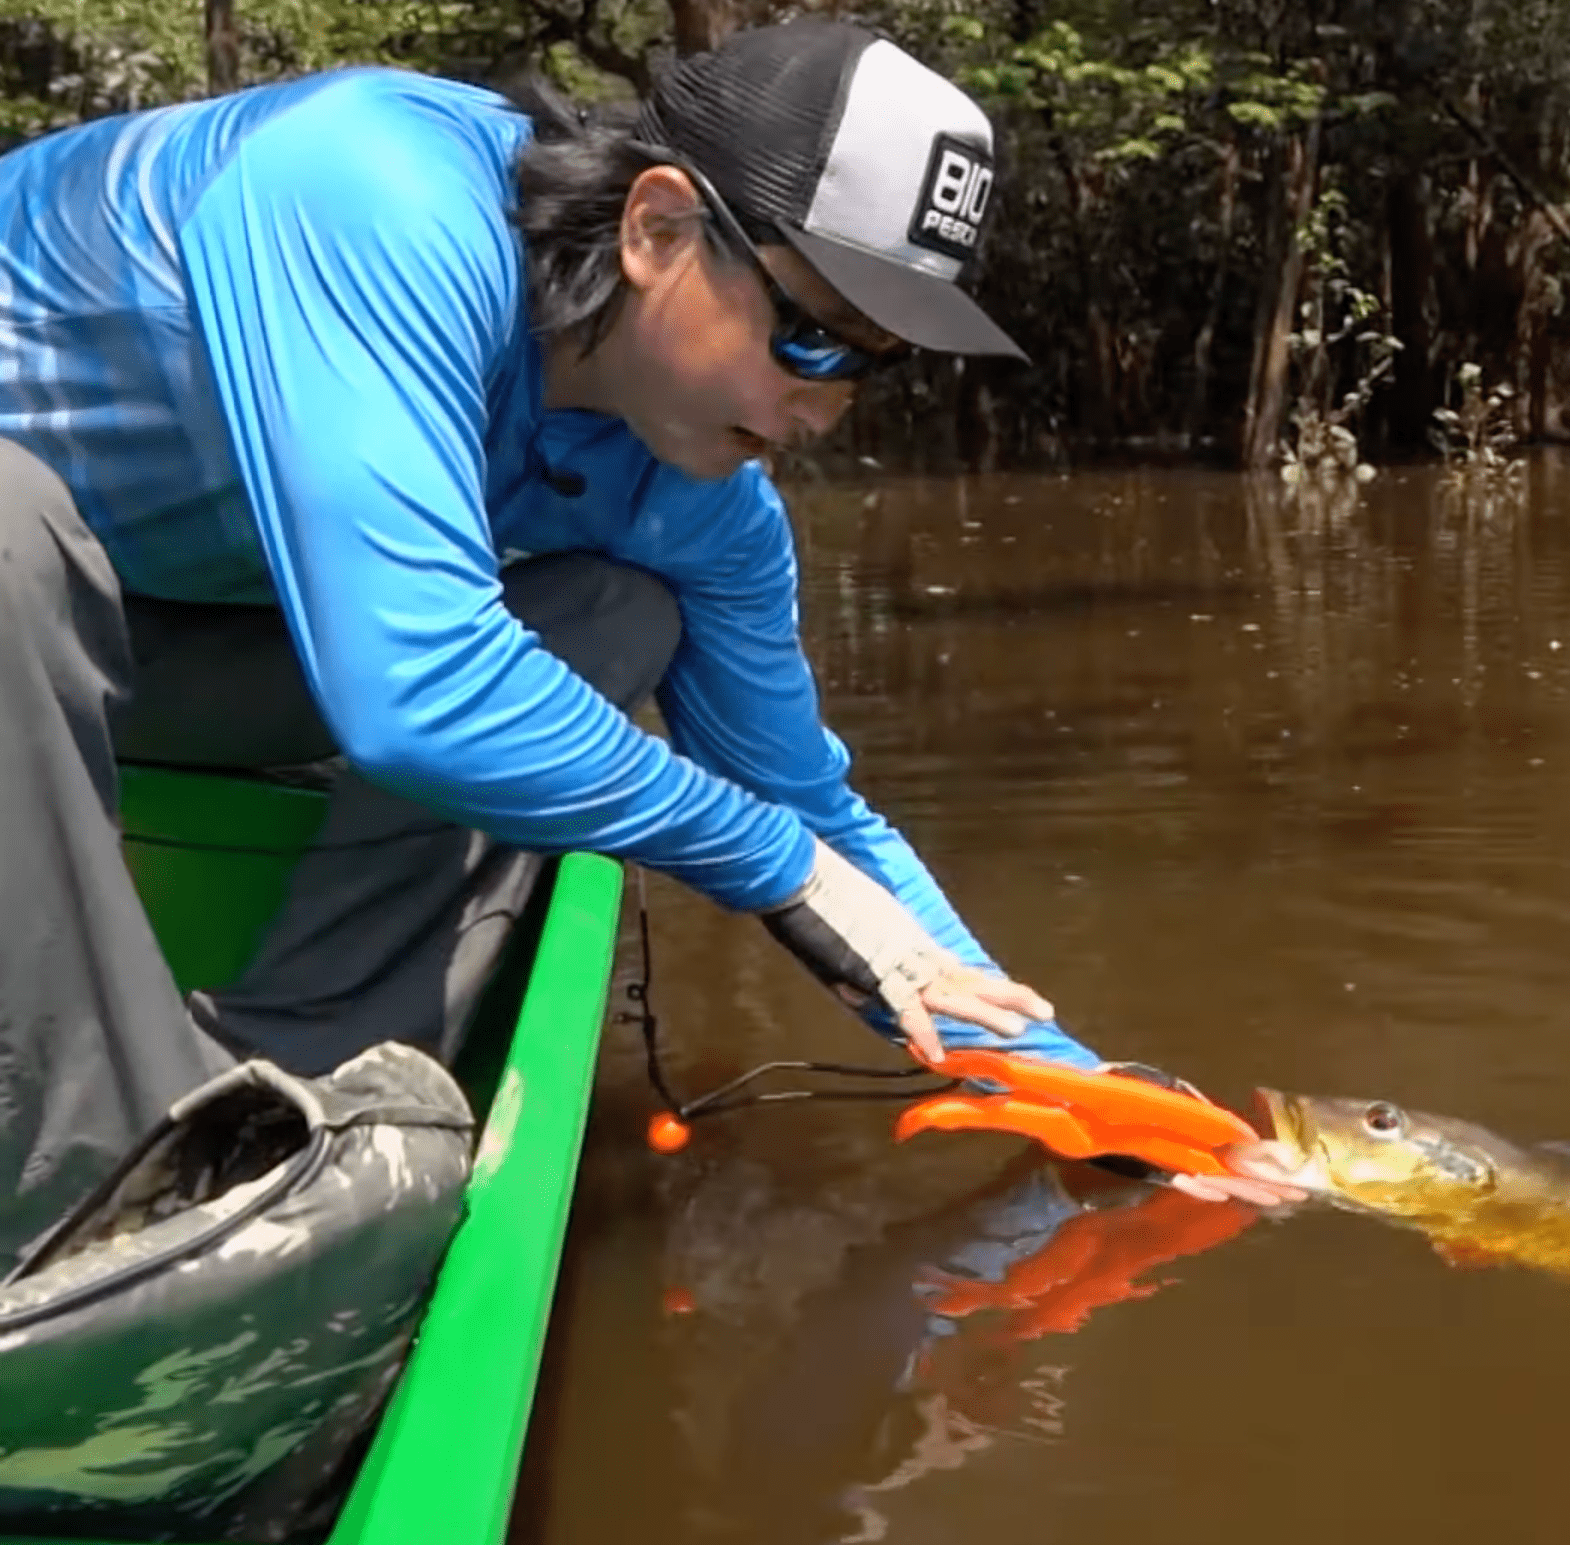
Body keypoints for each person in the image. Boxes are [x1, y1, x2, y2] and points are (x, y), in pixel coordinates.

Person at [0, 17, 1303, 1265]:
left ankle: (287, 1100)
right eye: (811, 335)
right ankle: (79, 1186)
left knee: (611, 619)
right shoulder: (372, 194)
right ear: (658, 225)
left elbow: (806, 810)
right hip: (34, 620)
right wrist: (766, 857)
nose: (829, 407)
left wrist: (1081, 1089)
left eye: (875, 364)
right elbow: (418, 691)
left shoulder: (707, 508)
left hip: (142, 656)